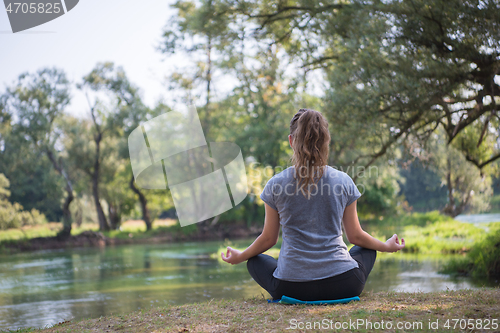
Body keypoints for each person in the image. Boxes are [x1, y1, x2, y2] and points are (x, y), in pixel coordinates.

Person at [221, 108, 405, 301]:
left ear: (292, 141)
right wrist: (385, 246)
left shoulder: (275, 184)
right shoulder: (343, 180)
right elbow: (356, 236)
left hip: (290, 288)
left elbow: (268, 239)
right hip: (345, 284)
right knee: (366, 248)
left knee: (255, 261)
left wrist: (240, 256)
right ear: (326, 141)